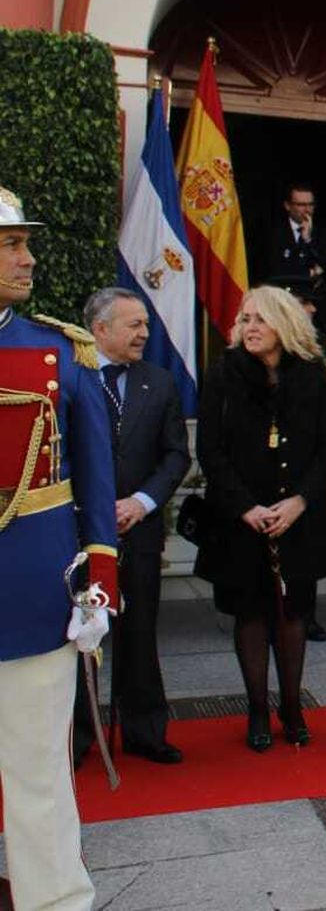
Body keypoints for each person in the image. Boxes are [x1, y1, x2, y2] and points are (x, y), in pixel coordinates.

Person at [0, 187, 117, 909]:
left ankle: (51, 900)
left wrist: (99, 579)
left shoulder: (60, 350)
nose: (28, 257)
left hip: (35, 586)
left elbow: (97, 483)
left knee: (38, 765)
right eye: (12, 244)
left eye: (24, 243)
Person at [194, 286, 326, 751]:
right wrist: (245, 507)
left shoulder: (313, 376)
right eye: (245, 319)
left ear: (285, 324)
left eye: (260, 319)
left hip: (299, 513)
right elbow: (210, 451)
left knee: (294, 612)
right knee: (251, 612)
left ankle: (293, 706)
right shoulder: (222, 376)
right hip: (243, 515)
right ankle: (257, 708)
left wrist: (300, 500)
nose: (249, 327)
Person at [71, 288, 189, 767]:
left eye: (145, 324)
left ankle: (145, 731)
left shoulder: (158, 383)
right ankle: (79, 736)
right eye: (134, 325)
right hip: (78, 534)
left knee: (139, 633)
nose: (144, 333)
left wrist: (142, 503)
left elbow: (176, 454)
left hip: (137, 531)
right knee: (79, 635)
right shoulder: (71, 379)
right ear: (100, 329)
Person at [265, 273, 326, 644]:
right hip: (259, 485)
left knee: (305, 560)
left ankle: (306, 615)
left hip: (304, 478)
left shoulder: (317, 358)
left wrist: (304, 493)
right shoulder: (231, 372)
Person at [263, 183, 326, 333]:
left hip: (317, 311)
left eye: (310, 204)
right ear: (287, 206)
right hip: (284, 307)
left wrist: (309, 240)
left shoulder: (323, 233)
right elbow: (275, 270)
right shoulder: (274, 234)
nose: (307, 210)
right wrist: (311, 273)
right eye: (301, 204)